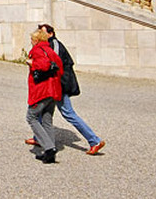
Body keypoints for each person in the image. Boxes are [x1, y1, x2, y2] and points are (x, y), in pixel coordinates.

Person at [38, 24, 106, 155]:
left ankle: (94, 140)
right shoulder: (48, 45)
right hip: (53, 84)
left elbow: (53, 63)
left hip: (59, 85)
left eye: (42, 32)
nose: (40, 35)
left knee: (68, 113)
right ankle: (39, 137)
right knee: (43, 110)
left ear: (51, 34)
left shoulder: (55, 44)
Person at [25, 26, 64, 164]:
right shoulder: (50, 50)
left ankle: (49, 148)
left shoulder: (37, 50)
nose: (31, 41)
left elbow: (43, 65)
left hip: (42, 90)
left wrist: (32, 63)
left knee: (31, 117)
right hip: (53, 90)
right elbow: (59, 67)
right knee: (47, 120)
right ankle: (50, 150)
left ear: (36, 40)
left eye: (32, 39)